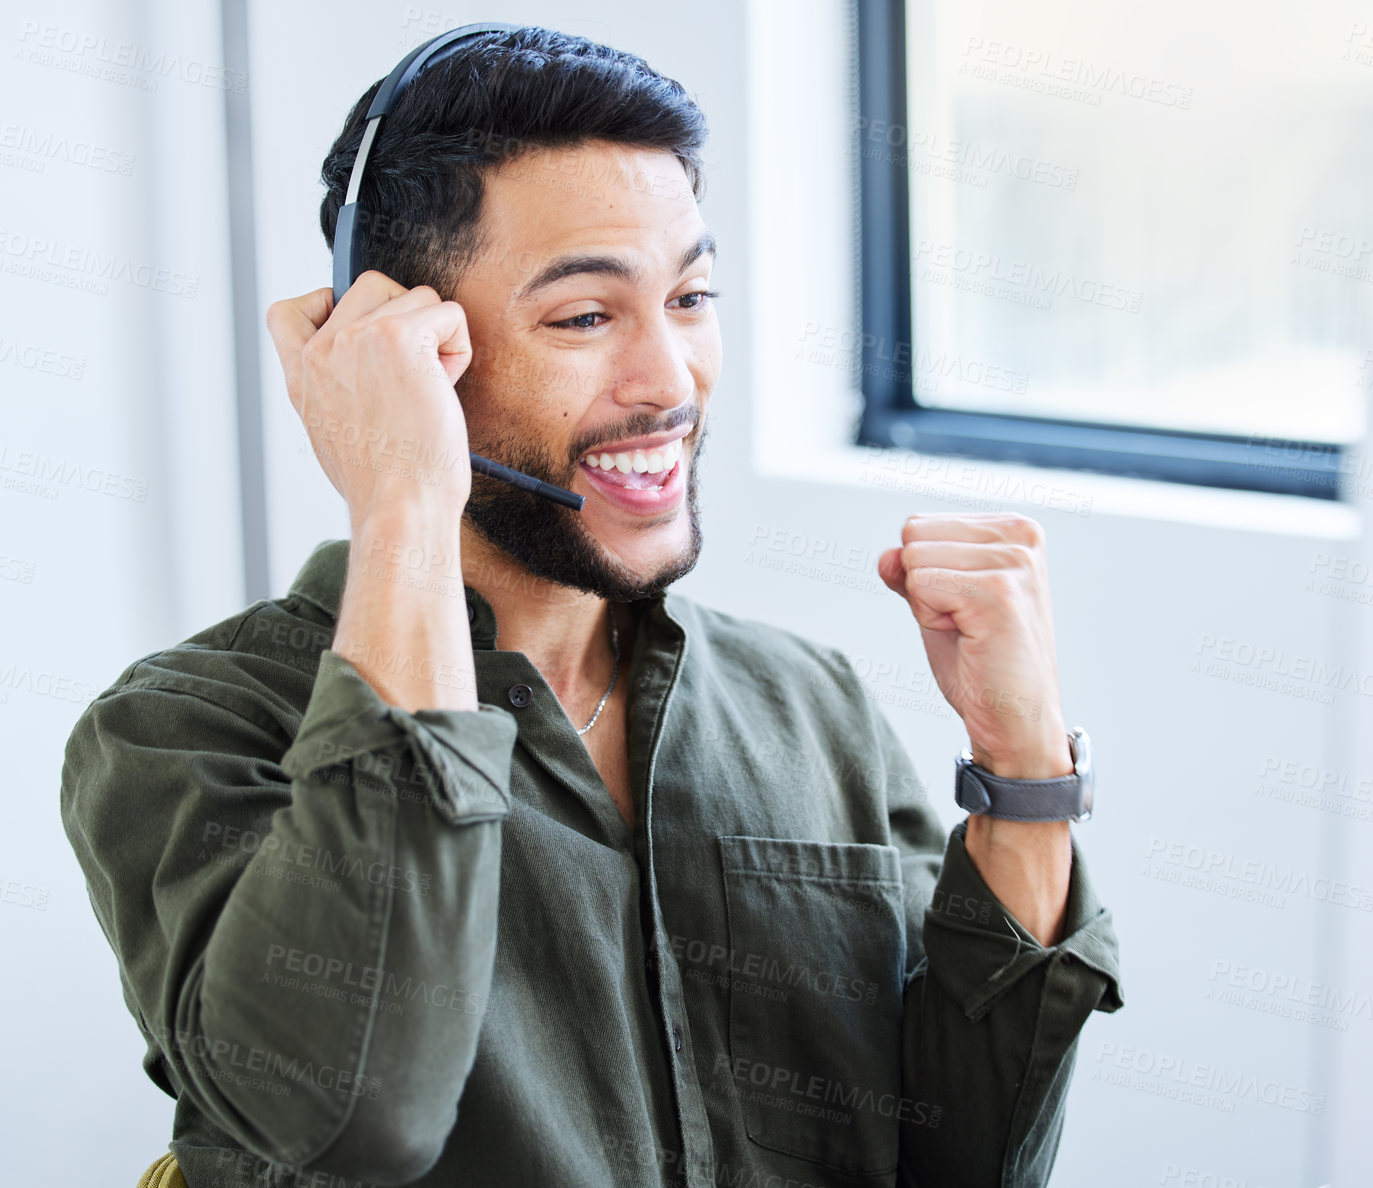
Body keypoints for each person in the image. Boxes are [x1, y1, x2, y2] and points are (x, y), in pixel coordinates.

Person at [60, 26, 1120, 1187]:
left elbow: (961, 1165)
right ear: (408, 346)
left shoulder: (809, 702)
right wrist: (401, 495)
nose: (671, 379)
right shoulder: (186, 731)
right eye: (584, 317)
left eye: (692, 296)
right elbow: (360, 1117)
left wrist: (1021, 772)